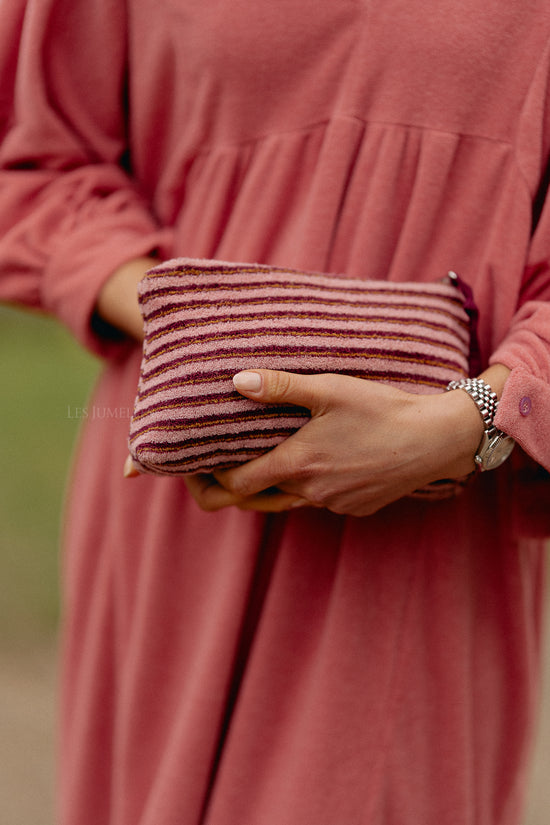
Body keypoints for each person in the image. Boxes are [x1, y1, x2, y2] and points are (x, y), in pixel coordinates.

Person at [1, 1, 549, 823]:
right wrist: (200, 330)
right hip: (178, 510)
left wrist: (471, 424)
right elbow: (32, 160)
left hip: (427, 546)